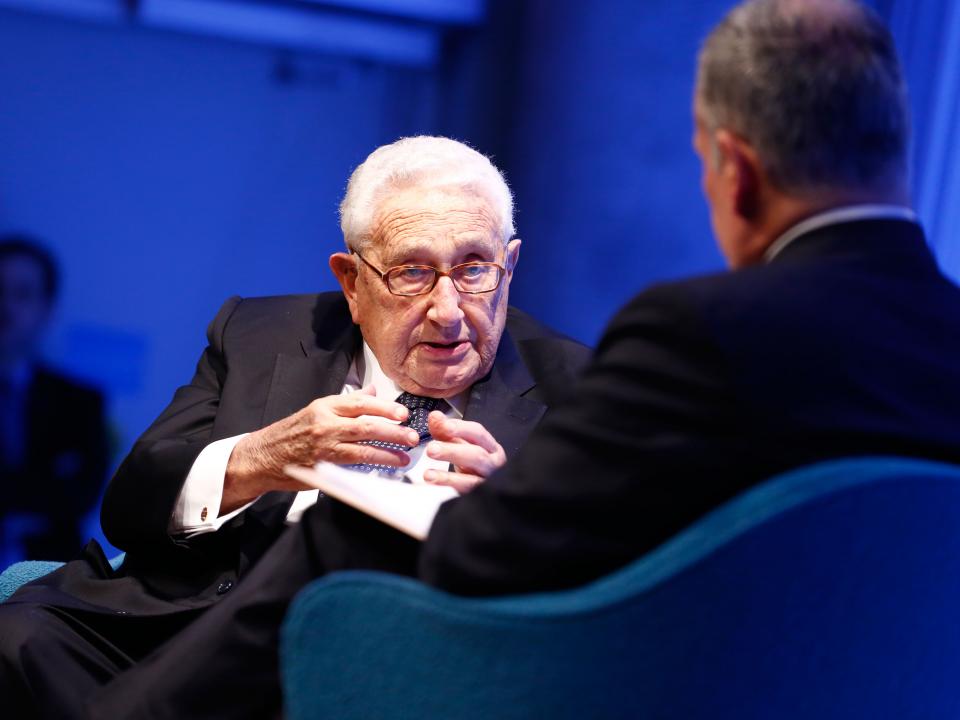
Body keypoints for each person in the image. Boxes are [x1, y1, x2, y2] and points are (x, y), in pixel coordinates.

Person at [0, 137, 591, 715]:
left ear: (509, 266)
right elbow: (130, 506)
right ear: (353, 283)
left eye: (473, 268)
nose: (448, 310)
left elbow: (611, 597)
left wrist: (512, 525)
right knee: (23, 635)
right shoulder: (262, 334)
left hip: (393, 665)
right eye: (412, 273)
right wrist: (260, 458)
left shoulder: (576, 387)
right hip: (189, 630)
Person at [0, 236, 108, 562]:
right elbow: (59, 494)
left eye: (22, 294)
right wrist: (42, 487)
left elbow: (81, 496)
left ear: (47, 307)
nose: (5, 306)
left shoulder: (81, 401)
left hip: (49, 578)